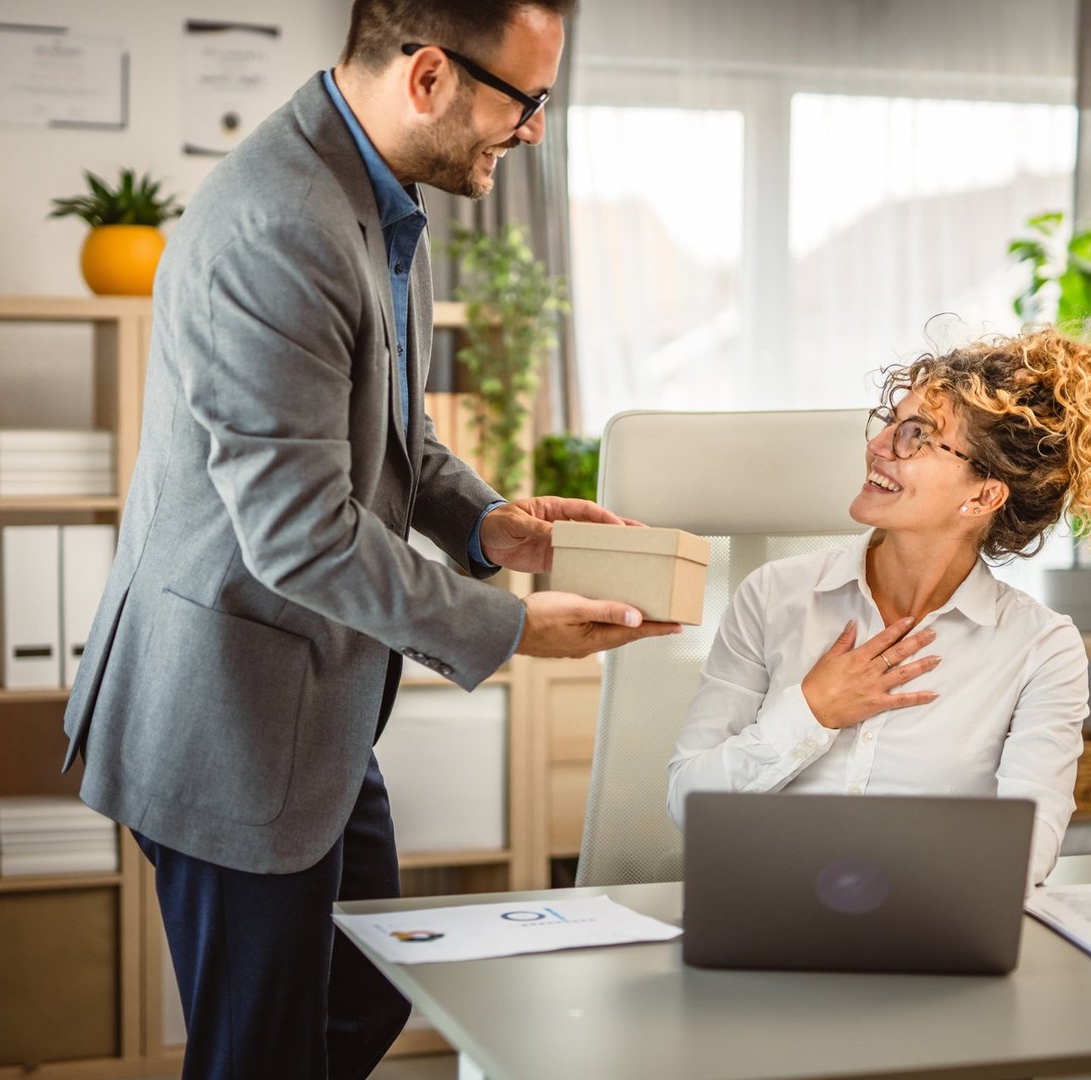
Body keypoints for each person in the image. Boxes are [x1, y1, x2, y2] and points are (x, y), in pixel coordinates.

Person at [61, 2, 678, 1075]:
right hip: (230, 714)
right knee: (261, 1055)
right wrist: (512, 629)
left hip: (317, 702)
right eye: (525, 100)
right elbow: (300, 534)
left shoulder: (378, 199)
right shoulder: (281, 229)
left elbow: (392, 434)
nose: (534, 130)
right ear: (430, 75)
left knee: (362, 996)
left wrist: (491, 529)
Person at [666, 328, 1091, 888]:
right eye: (891, 421)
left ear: (983, 496)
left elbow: (1026, 852)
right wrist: (813, 710)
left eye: (917, 436)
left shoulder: (1041, 650)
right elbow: (687, 802)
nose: (879, 444)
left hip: (930, 931)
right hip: (762, 913)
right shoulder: (773, 597)